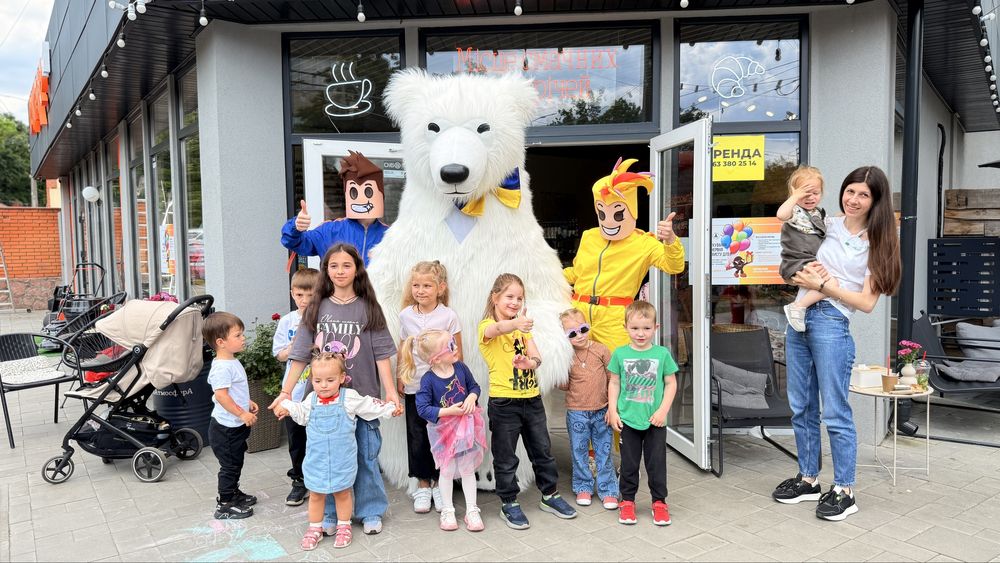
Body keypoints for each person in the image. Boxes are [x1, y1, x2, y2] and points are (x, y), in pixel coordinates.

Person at [772, 165, 901, 522]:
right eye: (850, 191)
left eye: (863, 194)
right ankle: (809, 478)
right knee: (800, 406)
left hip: (832, 321)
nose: (854, 199)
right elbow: (795, 253)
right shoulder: (825, 223)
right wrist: (798, 276)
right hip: (800, 319)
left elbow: (866, 303)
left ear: (875, 200)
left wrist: (824, 288)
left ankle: (845, 489)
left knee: (835, 412)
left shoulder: (877, 242)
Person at [269, 243, 402, 535]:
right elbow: (300, 354)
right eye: (333, 266)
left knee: (366, 457)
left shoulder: (369, 306)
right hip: (322, 403)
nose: (340, 271)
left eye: (346, 266)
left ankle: (370, 511)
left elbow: (381, 353)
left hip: (362, 397)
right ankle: (330, 515)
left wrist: (390, 392)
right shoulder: (317, 306)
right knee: (326, 460)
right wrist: (286, 392)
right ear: (326, 271)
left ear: (357, 270)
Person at [478, 273, 577, 530]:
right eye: (509, 297)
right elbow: (496, 329)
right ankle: (509, 502)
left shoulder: (524, 331)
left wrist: (528, 363)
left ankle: (550, 495)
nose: (514, 302)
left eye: (519, 298)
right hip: (504, 403)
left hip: (531, 400)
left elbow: (537, 359)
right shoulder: (488, 327)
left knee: (542, 452)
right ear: (495, 297)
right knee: (505, 457)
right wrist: (516, 324)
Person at [274, 352, 399, 550]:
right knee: (316, 494)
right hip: (317, 461)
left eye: (330, 380)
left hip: (343, 460)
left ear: (341, 378)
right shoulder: (310, 400)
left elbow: (369, 405)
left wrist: (389, 408)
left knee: (342, 493)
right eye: (318, 380)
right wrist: (287, 407)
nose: (323, 385)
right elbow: (300, 413)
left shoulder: (349, 398)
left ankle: (344, 526)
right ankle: (315, 527)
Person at [564, 158, 685, 351]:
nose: (609, 222)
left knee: (617, 371)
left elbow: (674, 266)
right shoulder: (589, 237)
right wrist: (545, 274)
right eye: (602, 214)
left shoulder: (644, 243)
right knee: (577, 372)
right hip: (577, 316)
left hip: (614, 319)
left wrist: (670, 240)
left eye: (618, 214)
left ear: (631, 211)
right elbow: (577, 273)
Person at [400, 329, 486, 532]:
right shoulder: (428, 380)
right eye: (450, 346)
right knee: (446, 472)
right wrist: (449, 411)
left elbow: (474, 387)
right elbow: (422, 409)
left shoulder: (461, 368)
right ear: (436, 358)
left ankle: (472, 509)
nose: (456, 348)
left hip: (466, 430)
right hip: (443, 434)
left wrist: (472, 397)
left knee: (467, 470)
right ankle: (448, 509)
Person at [397, 260, 462, 514]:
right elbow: (404, 347)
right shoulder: (406, 315)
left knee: (441, 435)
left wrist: (458, 384)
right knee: (417, 434)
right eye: (416, 285)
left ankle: (439, 482)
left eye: (426, 285)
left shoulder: (448, 315)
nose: (420, 290)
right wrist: (400, 376)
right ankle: (422, 484)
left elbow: (457, 352)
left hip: (442, 386)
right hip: (416, 384)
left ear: (440, 287)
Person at [607, 300, 677, 527]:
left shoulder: (662, 354)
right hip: (628, 420)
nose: (640, 333)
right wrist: (612, 410)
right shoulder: (619, 354)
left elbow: (671, 383)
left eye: (646, 328)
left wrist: (663, 410)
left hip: (655, 421)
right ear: (625, 327)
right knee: (628, 464)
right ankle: (627, 501)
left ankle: (659, 503)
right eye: (635, 328)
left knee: (656, 464)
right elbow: (614, 383)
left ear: (656, 328)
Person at [556, 308, 619, 509]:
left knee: (604, 450)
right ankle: (583, 485)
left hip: (602, 410)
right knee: (579, 450)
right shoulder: (566, 356)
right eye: (572, 333)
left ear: (588, 326)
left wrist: (612, 408)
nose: (579, 336)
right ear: (565, 336)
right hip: (577, 411)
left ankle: (608, 488)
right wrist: (556, 370)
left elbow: (612, 380)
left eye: (583, 329)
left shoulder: (601, 350)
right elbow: (563, 384)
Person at [280, 151, 389, 266]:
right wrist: (295, 227)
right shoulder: (330, 231)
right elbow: (294, 242)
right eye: (353, 192)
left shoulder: (390, 236)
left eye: (368, 192)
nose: (361, 199)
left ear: (381, 196)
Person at [272, 267, 320, 507]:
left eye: (310, 295)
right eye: (300, 295)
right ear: (292, 294)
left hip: (319, 392)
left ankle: (319, 480)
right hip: (294, 392)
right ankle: (299, 480)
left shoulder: (323, 319)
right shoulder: (287, 321)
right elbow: (280, 355)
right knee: (297, 439)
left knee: (318, 438)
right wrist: (295, 347)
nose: (305, 301)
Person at [203, 311, 258, 520]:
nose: (243, 338)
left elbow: (234, 392)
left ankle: (233, 493)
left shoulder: (231, 361)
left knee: (236, 462)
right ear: (221, 342)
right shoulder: (222, 367)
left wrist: (247, 403)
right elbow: (222, 396)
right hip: (225, 429)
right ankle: (225, 503)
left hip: (234, 426)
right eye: (238, 335)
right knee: (230, 466)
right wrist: (242, 413)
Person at [778, 165, 828, 332]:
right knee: (831, 284)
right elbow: (781, 215)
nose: (810, 197)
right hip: (797, 262)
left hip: (810, 262)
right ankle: (797, 307)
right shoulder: (795, 211)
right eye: (805, 194)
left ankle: (801, 309)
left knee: (830, 284)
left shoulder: (818, 213)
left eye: (815, 193)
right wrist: (794, 198)